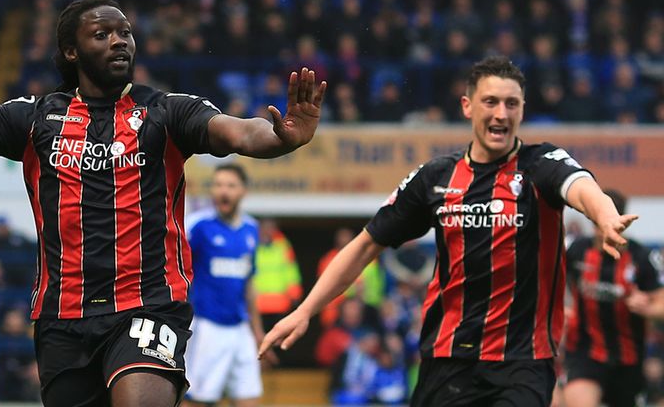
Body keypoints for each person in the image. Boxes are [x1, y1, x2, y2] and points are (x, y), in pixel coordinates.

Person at [0, 0, 326, 407]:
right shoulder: (33, 117)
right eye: (101, 34)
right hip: (62, 316)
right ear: (71, 51)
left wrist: (277, 138)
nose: (119, 40)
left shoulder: (167, 111)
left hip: (149, 306)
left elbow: (237, 132)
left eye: (124, 32)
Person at [259, 56, 637, 407]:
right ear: (467, 106)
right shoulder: (436, 178)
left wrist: (604, 216)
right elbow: (365, 246)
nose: (501, 113)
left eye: (511, 104)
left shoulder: (541, 164)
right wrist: (305, 311)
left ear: (522, 109)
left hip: (522, 362)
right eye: (490, 102)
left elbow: (582, 186)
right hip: (446, 359)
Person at [563, 189, 664, 407]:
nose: (606, 231)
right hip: (585, 352)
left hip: (628, 357)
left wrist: (647, 306)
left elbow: (661, 303)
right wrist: (559, 309)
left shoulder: (642, 257)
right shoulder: (577, 250)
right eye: (600, 223)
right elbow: (548, 282)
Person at [183, 164, 267, 407]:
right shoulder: (198, 226)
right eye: (218, 185)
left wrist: (257, 331)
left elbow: (249, 282)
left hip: (241, 329)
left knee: (250, 397)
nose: (223, 191)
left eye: (230, 185)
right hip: (207, 326)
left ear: (243, 192)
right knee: (199, 399)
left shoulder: (251, 229)